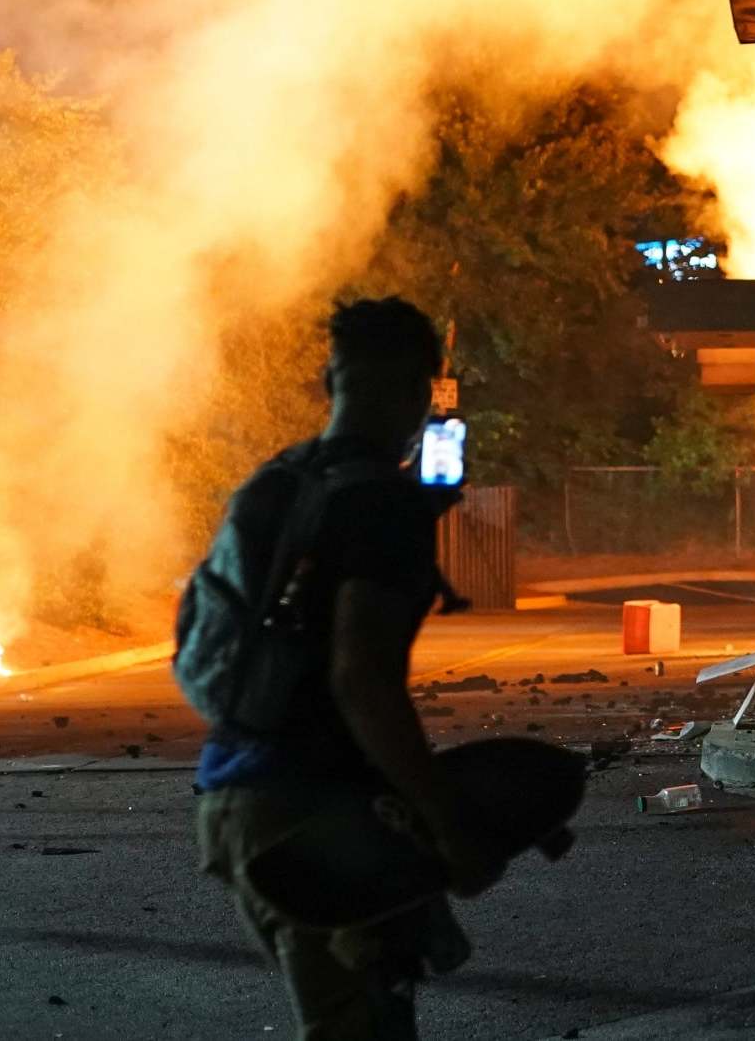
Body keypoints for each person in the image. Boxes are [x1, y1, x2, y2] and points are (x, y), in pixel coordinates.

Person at [193, 297, 500, 1039]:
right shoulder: (383, 508)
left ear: (330, 379)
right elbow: (361, 678)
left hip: (234, 804)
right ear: (421, 391)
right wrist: (447, 821)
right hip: (314, 819)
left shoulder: (273, 484)